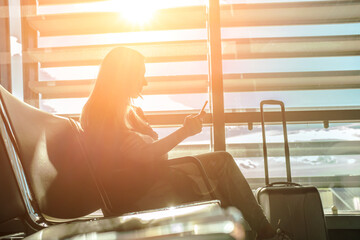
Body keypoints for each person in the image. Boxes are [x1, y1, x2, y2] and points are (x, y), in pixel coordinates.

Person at [80, 47, 291, 240]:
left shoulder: (127, 112)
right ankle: (267, 234)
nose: (144, 83)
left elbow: (148, 155)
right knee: (222, 167)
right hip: (137, 196)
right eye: (140, 75)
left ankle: (265, 233)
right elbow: (142, 155)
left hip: (148, 187)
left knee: (221, 178)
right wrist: (185, 132)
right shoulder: (101, 112)